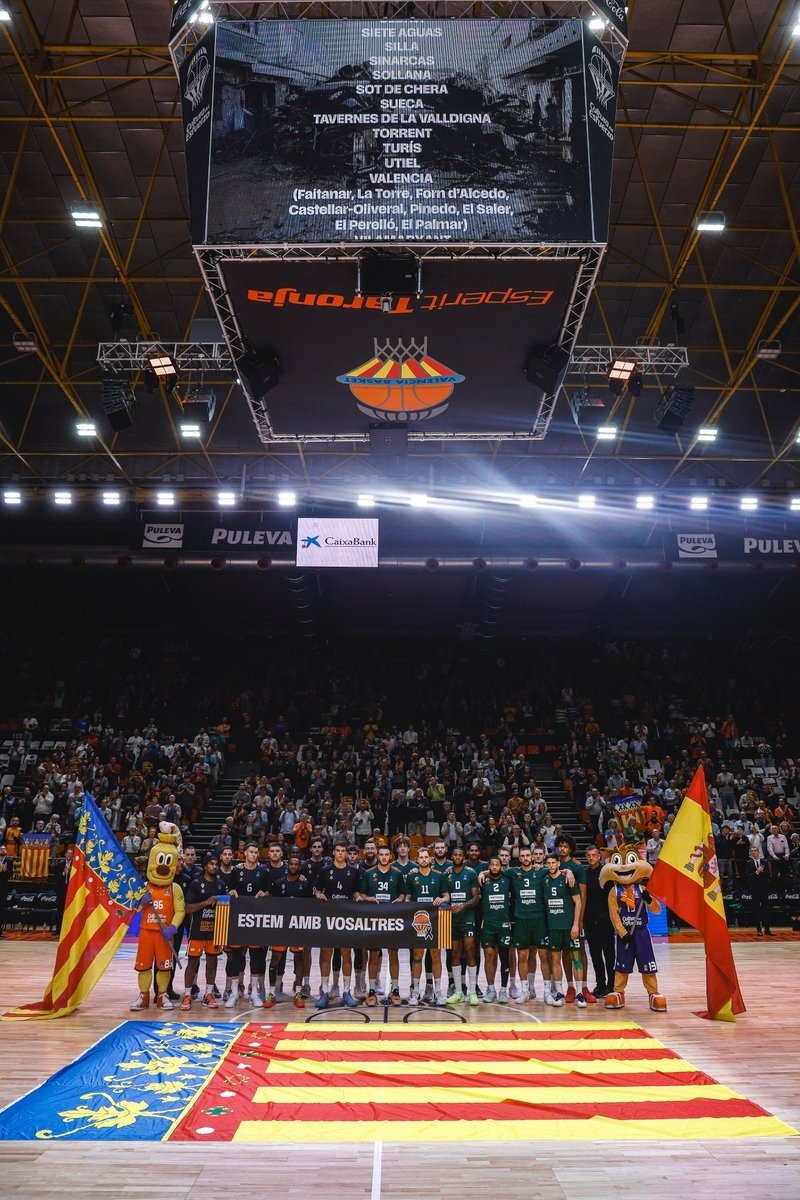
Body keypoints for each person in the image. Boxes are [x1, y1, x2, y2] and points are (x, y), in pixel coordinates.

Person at [313, 839, 364, 1009]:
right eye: (338, 850)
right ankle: (325, 992)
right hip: (328, 917)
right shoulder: (325, 870)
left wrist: (358, 897)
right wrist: (319, 895)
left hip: (346, 918)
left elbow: (356, 891)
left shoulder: (353, 871)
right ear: (333, 853)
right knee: (326, 954)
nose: (341, 853)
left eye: (344, 851)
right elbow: (318, 890)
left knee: (346, 954)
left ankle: (347, 991)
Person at [360, 843, 407, 1005]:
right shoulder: (369, 873)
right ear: (378, 856)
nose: (384, 857)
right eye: (382, 855)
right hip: (375, 920)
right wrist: (368, 899)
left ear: (390, 857)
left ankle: (395, 990)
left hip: (392, 919)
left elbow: (403, 894)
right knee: (374, 955)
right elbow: (362, 894)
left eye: (387, 855)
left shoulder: (397, 874)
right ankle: (372, 991)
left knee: (393, 954)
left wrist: (400, 899)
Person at [224, 841, 268, 1008]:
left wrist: (266, 893)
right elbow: (230, 889)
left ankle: (254, 993)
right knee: (236, 955)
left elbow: (268, 891)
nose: (254, 854)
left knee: (256, 956)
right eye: (251, 852)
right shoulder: (237, 871)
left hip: (256, 919)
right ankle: (234, 993)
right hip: (239, 919)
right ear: (245, 853)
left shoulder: (263, 871)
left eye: (256, 852)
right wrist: (232, 891)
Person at [181, 852, 226, 1011]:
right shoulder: (195, 883)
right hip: (197, 931)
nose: (214, 866)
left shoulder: (221, 884)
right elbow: (187, 908)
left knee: (212, 963)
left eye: (216, 864)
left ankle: (208, 994)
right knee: (193, 962)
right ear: (205, 866)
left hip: (214, 931)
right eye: (211, 864)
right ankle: (187, 994)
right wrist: (206, 902)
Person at [407, 846, 450, 1005]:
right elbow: (407, 899)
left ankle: (438, 992)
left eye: (426, 857)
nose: (424, 860)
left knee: (436, 955)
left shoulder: (439, 876)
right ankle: (415, 992)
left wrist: (442, 900)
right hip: (418, 920)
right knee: (417, 955)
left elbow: (447, 896)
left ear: (430, 859)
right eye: (421, 857)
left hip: (435, 918)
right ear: (417, 860)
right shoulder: (412, 877)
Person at [542, 851, 583, 1007]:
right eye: (549, 863)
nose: (551, 865)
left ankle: (579, 994)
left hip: (569, 927)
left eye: (554, 863)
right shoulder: (544, 880)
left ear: (559, 863)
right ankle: (559, 993)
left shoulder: (567, 879)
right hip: (553, 928)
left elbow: (578, 902)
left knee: (576, 959)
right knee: (555, 960)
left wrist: (575, 924)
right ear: (546, 865)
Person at [443, 846, 481, 1005]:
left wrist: (463, 906)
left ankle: (472, 992)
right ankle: (459, 992)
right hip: (452, 919)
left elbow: (476, 898)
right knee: (455, 954)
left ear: (464, 858)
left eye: (460, 854)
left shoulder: (471, 873)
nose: (457, 856)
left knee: (470, 952)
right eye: (455, 854)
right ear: (452, 856)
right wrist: (444, 901)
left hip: (467, 918)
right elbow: (445, 896)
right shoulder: (446, 874)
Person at [479, 856, 513, 1003]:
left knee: (505, 958)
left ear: (501, 866)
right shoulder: (482, 881)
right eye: (491, 865)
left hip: (504, 924)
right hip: (488, 925)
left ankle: (504, 990)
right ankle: (491, 989)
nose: (494, 867)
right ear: (489, 866)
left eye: (497, 865)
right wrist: (483, 873)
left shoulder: (507, 879)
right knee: (489, 956)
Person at [583, 845, 615, 998]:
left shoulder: (606, 873)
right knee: (595, 956)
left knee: (609, 955)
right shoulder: (584, 874)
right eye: (588, 855)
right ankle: (600, 985)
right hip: (590, 921)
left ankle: (612, 985)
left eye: (594, 855)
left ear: (599, 856)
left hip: (605, 921)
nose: (591, 858)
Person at [746, 844, 774, 936]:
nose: (753, 852)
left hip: (764, 889)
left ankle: (767, 929)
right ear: (751, 853)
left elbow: (769, 875)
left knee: (766, 909)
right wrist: (757, 872)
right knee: (756, 910)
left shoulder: (764, 862)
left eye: (755, 850)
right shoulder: (748, 863)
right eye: (752, 851)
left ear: (758, 852)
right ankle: (758, 929)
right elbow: (748, 876)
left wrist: (763, 872)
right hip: (754, 889)